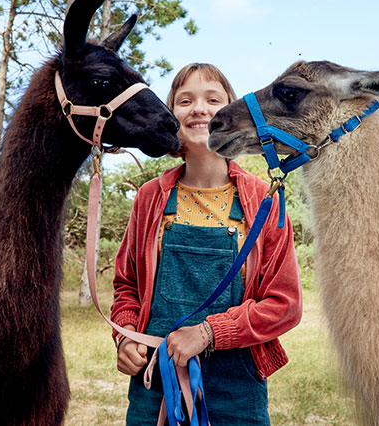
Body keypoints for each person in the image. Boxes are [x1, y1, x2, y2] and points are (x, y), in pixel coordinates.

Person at [110, 63, 303, 425]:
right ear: (171, 116)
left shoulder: (264, 200)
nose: (199, 108)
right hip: (156, 387)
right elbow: (127, 286)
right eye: (185, 101)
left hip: (237, 391)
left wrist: (208, 333)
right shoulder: (150, 198)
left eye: (213, 99)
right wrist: (126, 336)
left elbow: (285, 305)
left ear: (230, 113)